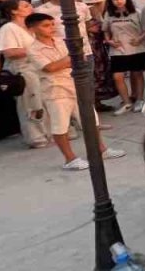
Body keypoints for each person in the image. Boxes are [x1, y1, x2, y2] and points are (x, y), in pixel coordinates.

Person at [27, 13, 124, 170]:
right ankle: (69, 158)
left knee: (91, 120)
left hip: (74, 85)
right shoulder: (33, 49)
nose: (51, 28)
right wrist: (68, 60)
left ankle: (101, 150)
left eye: (52, 24)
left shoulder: (59, 40)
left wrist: (67, 61)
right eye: (45, 25)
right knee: (61, 126)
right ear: (32, 28)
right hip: (55, 90)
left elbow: (80, 58)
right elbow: (50, 67)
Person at [0, 0, 46, 148]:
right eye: (25, 6)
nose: (30, 7)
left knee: (42, 101)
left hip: (39, 68)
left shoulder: (31, 26)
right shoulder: (8, 28)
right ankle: (35, 137)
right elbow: (9, 51)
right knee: (29, 103)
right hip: (23, 69)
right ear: (14, 11)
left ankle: (48, 132)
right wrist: (35, 50)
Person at [104, 0, 145, 115]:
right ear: (111, 1)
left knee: (137, 74)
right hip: (118, 49)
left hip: (136, 48)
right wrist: (109, 41)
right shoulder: (109, 14)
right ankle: (126, 102)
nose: (118, 1)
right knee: (117, 77)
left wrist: (140, 39)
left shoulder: (136, 12)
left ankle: (139, 100)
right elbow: (106, 30)